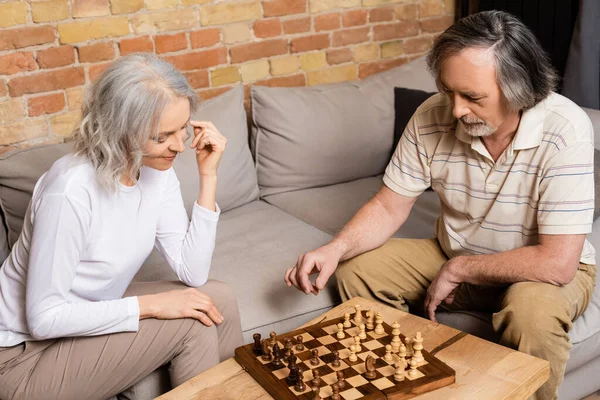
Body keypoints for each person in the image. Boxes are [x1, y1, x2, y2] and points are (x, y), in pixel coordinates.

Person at [284, 11, 596, 400]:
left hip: (539, 271)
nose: (456, 110)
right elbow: (387, 207)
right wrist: (335, 248)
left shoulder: (565, 128)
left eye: (472, 97)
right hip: (454, 254)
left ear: (521, 90)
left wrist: (461, 268)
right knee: (356, 270)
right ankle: (403, 383)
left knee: (530, 312)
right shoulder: (431, 116)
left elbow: (557, 262)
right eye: (449, 91)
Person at [0, 53, 243, 400]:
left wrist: (209, 176)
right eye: (163, 136)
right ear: (120, 133)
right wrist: (154, 306)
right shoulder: (70, 190)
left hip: (82, 315)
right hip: (20, 355)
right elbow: (43, 318)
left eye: (183, 128)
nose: (180, 145)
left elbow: (193, 272)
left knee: (216, 297)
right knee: (191, 322)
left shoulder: (158, 171)